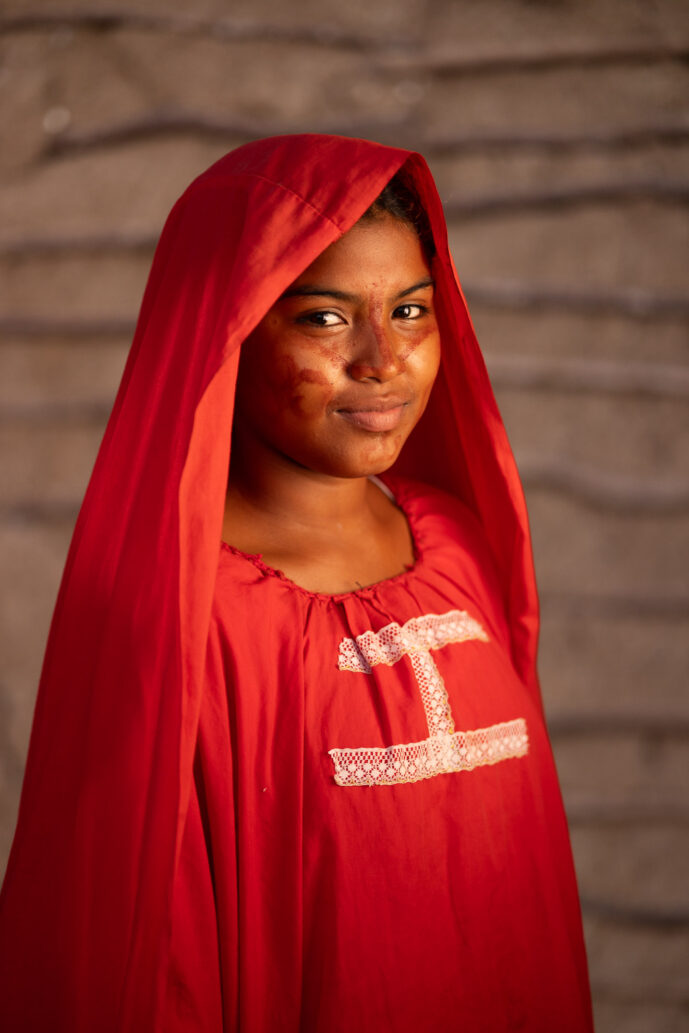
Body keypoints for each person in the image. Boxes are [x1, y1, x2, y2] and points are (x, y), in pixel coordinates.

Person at [0, 134, 594, 1032]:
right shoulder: (185, 615)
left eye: (410, 311)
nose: (381, 361)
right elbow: (152, 967)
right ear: (227, 329)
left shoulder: (462, 549)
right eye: (324, 318)